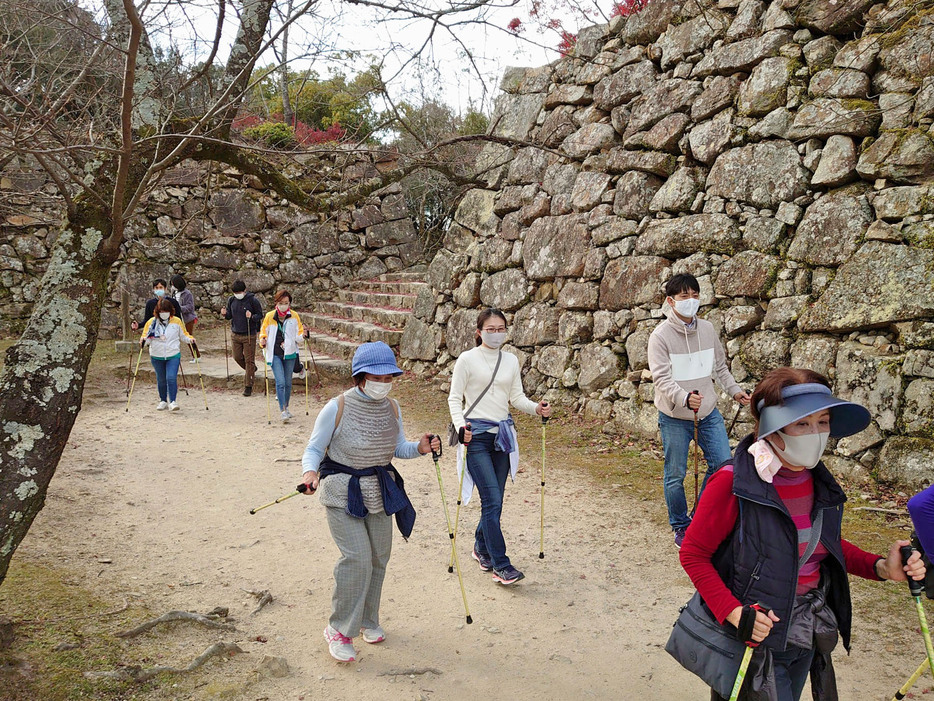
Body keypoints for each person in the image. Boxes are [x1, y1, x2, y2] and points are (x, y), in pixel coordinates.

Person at [679, 367, 926, 701]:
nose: (816, 433)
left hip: (806, 630)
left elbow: (820, 543)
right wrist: (735, 613)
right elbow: (693, 554)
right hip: (753, 636)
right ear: (773, 428)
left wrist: (881, 567)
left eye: (823, 422)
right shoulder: (732, 482)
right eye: (802, 423)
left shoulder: (816, 481)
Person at [300, 341, 441, 663]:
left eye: (388, 377)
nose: (383, 383)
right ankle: (338, 629)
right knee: (357, 558)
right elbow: (313, 448)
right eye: (376, 377)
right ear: (360, 377)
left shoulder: (392, 407)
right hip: (341, 490)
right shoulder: (337, 407)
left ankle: (367, 619)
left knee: (379, 557)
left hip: (379, 491)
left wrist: (419, 448)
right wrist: (310, 473)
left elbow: (397, 448)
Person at [446, 308, 552, 586]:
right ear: (479, 331)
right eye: (490, 329)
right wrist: (461, 427)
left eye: (501, 328)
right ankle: (501, 566)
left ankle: (481, 547)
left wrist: (536, 409)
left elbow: (516, 397)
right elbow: (454, 399)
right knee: (492, 500)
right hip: (476, 438)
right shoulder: (467, 360)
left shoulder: (511, 360)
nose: (496, 333)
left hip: (502, 438)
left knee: (495, 502)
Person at [648, 273, 751, 548]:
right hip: (674, 416)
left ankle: (699, 515)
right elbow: (661, 378)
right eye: (684, 296)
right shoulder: (660, 337)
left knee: (723, 466)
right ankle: (680, 526)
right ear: (671, 301)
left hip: (708, 412)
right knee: (675, 475)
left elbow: (719, 368)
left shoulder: (707, 329)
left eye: (695, 295)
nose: (691, 300)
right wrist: (683, 398)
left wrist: (735, 391)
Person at [139, 298, 195, 411]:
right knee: (161, 379)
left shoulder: (177, 321)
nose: (164, 314)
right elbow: (146, 338)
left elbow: (184, 335)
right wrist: (143, 341)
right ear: (157, 312)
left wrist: (191, 339)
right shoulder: (151, 323)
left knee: (171, 377)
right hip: (156, 355)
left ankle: (173, 401)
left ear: (170, 311)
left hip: (173, 354)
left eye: (166, 311)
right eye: (161, 311)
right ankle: (163, 400)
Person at [259, 289, 306, 422]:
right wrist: (262, 339)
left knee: (288, 382)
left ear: (290, 303)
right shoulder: (269, 316)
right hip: (274, 353)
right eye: (281, 302)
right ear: (276, 303)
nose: (284, 305)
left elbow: (299, 335)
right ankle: (283, 410)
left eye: (286, 303)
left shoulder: (294, 316)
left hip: (290, 353)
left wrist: (304, 336)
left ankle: (287, 406)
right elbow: (263, 332)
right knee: (280, 382)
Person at [220, 279, 263, 396]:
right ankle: (252, 370)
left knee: (249, 360)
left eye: (239, 292)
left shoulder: (253, 300)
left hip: (249, 334)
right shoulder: (231, 300)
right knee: (237, 357)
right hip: (235, 333)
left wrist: (252, 316)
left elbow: (260, 314)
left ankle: (248, 385)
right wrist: (224, 314)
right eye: (235, 292)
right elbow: (229, 316)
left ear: (244, 290)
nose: (237, 295)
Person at [171, 274, 200, 362]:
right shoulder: (174, 292)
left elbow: (190, 307)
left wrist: (179, 308)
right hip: (177, 319)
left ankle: (196, 356)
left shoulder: (187, 294)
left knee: (189, 338)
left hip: (187, 319)